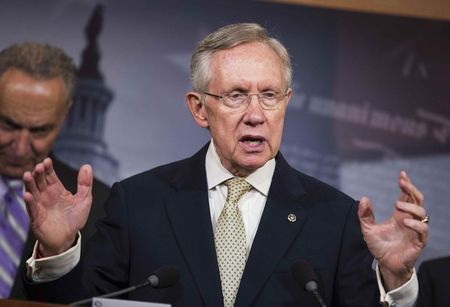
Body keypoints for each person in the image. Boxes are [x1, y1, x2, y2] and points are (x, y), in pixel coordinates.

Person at [23, 23, 428, 307]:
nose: (256, 114)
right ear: (199, 109)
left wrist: (395, 279)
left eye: (269, 95)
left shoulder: (335, 218)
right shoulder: (139, 201)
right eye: (236, 95)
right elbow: (79, 305)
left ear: (286, 102)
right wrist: (57, 251)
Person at [0, 42, 109, 299]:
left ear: (64, 115)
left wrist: (57, 253)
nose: (21, 147)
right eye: (8, 124)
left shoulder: (101, 207)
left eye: (39, 130)